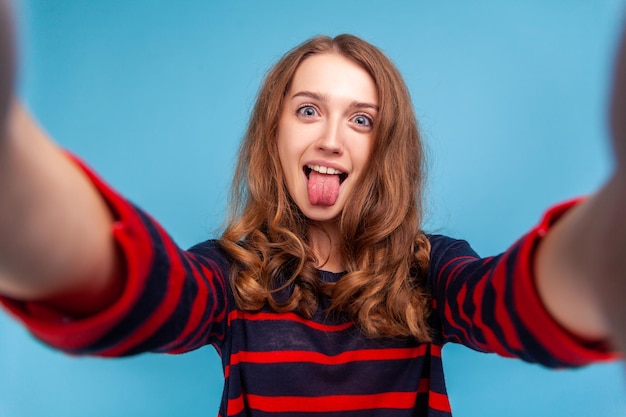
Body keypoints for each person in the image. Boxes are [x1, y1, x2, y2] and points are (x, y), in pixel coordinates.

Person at [0, 1, 624, 416]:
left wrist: (606, 247)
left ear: (386, 150)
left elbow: (508, 303)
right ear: (273, 135)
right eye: (307, 110)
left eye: (361, 119)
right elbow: (146, 295)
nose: (330, 138)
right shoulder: (230, 273)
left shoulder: (431, 270)